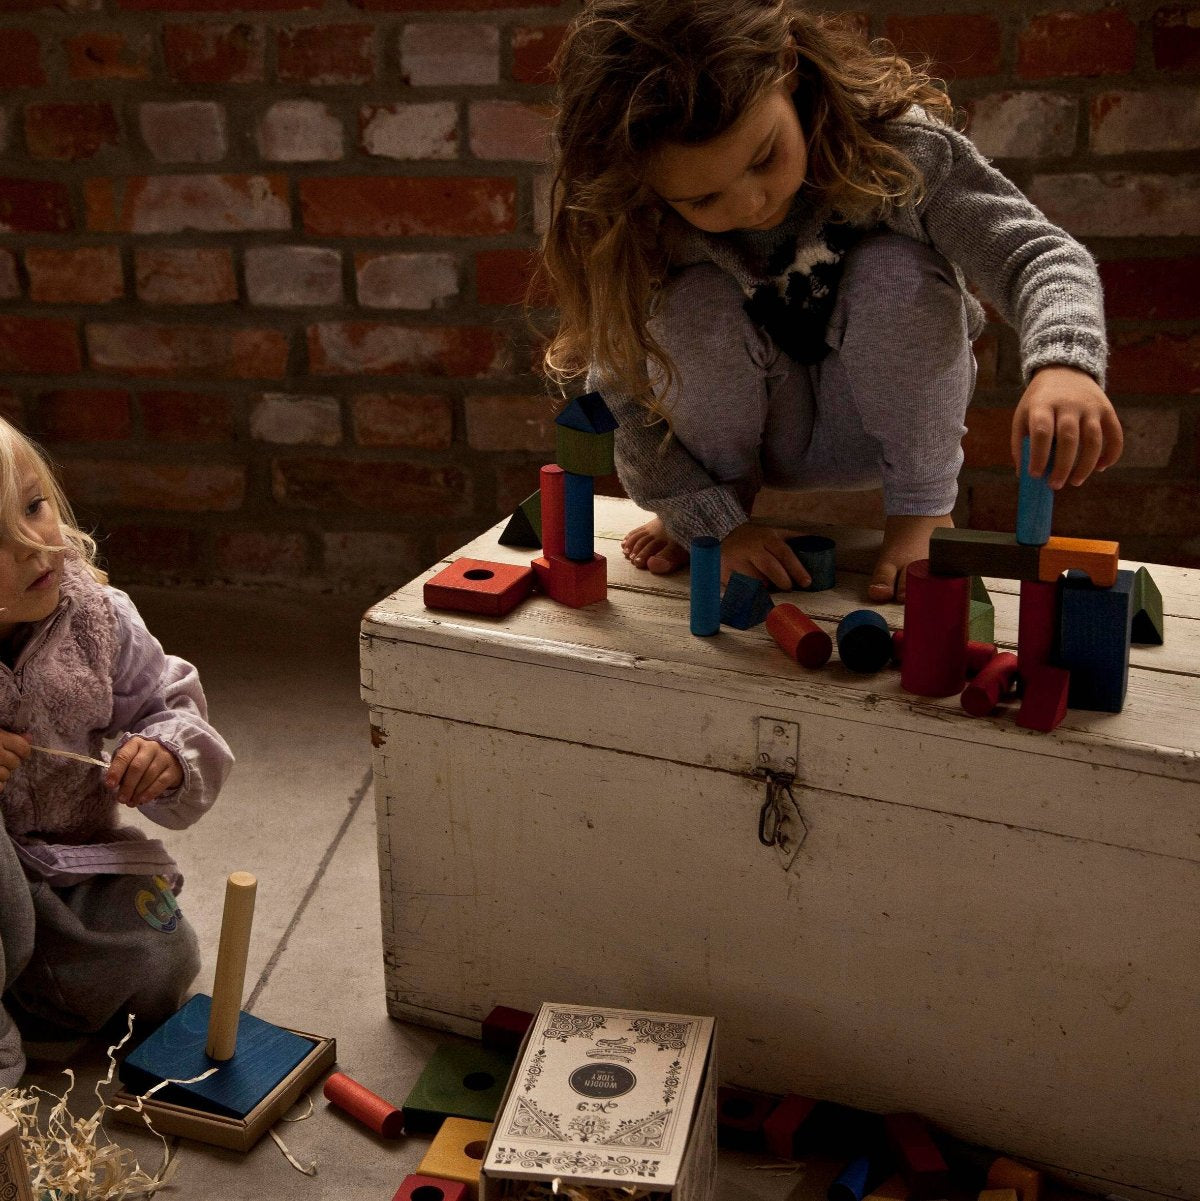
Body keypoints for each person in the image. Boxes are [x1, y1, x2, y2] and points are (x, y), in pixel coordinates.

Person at [538, 0, 1123, 600]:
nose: (750, 204)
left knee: (896, 266)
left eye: (765, 157)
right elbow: (619, 391)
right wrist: (703, 517)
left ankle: (921, 510)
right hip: (745, 436)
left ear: (788, 68)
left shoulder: (899, 151)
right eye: (704, 199)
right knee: (689, 305)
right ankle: (719, 506)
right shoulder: (639, 225)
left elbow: (1037, 253)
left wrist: (1065, 363)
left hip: (879, 420)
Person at [0, 418, 233, 1087]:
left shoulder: (96, 618)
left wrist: (166, 751)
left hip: (71, 866)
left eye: (35, 506)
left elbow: (169, 701)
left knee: (164, 960)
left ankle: (33, 990)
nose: (33, 545)